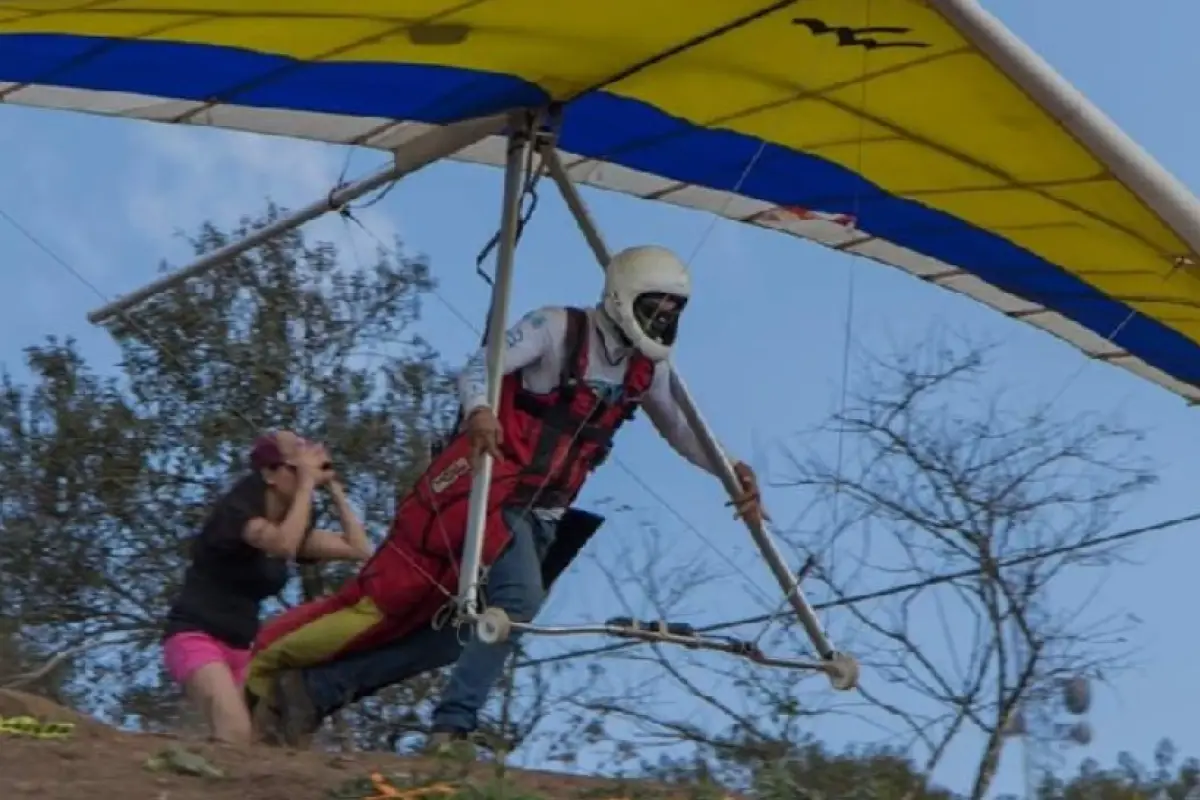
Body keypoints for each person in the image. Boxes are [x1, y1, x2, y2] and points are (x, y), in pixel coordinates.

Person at [245, 245, 765, 751]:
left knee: (455, 636)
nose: (661, 322)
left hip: (545, 515)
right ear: (624, 298)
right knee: (515, 604)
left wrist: (730, 469)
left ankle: (311, 694)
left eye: (672, 313)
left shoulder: (647, 370)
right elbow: (480, 367)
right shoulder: (557, 328)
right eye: (654, 309)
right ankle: (453, 729)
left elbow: (680, 427)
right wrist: (479, 411)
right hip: (494, 492)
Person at [160, 431, 373, 744]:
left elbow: (358, 548)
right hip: (195, 635)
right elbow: (282, 546)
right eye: (295, 469)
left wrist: (333, 487)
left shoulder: (292, 525)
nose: (306, 478)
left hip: (241, 649)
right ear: (270, 474)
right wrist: (306, 485)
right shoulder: (238, 513)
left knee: (256, 742)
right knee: (234, 731)